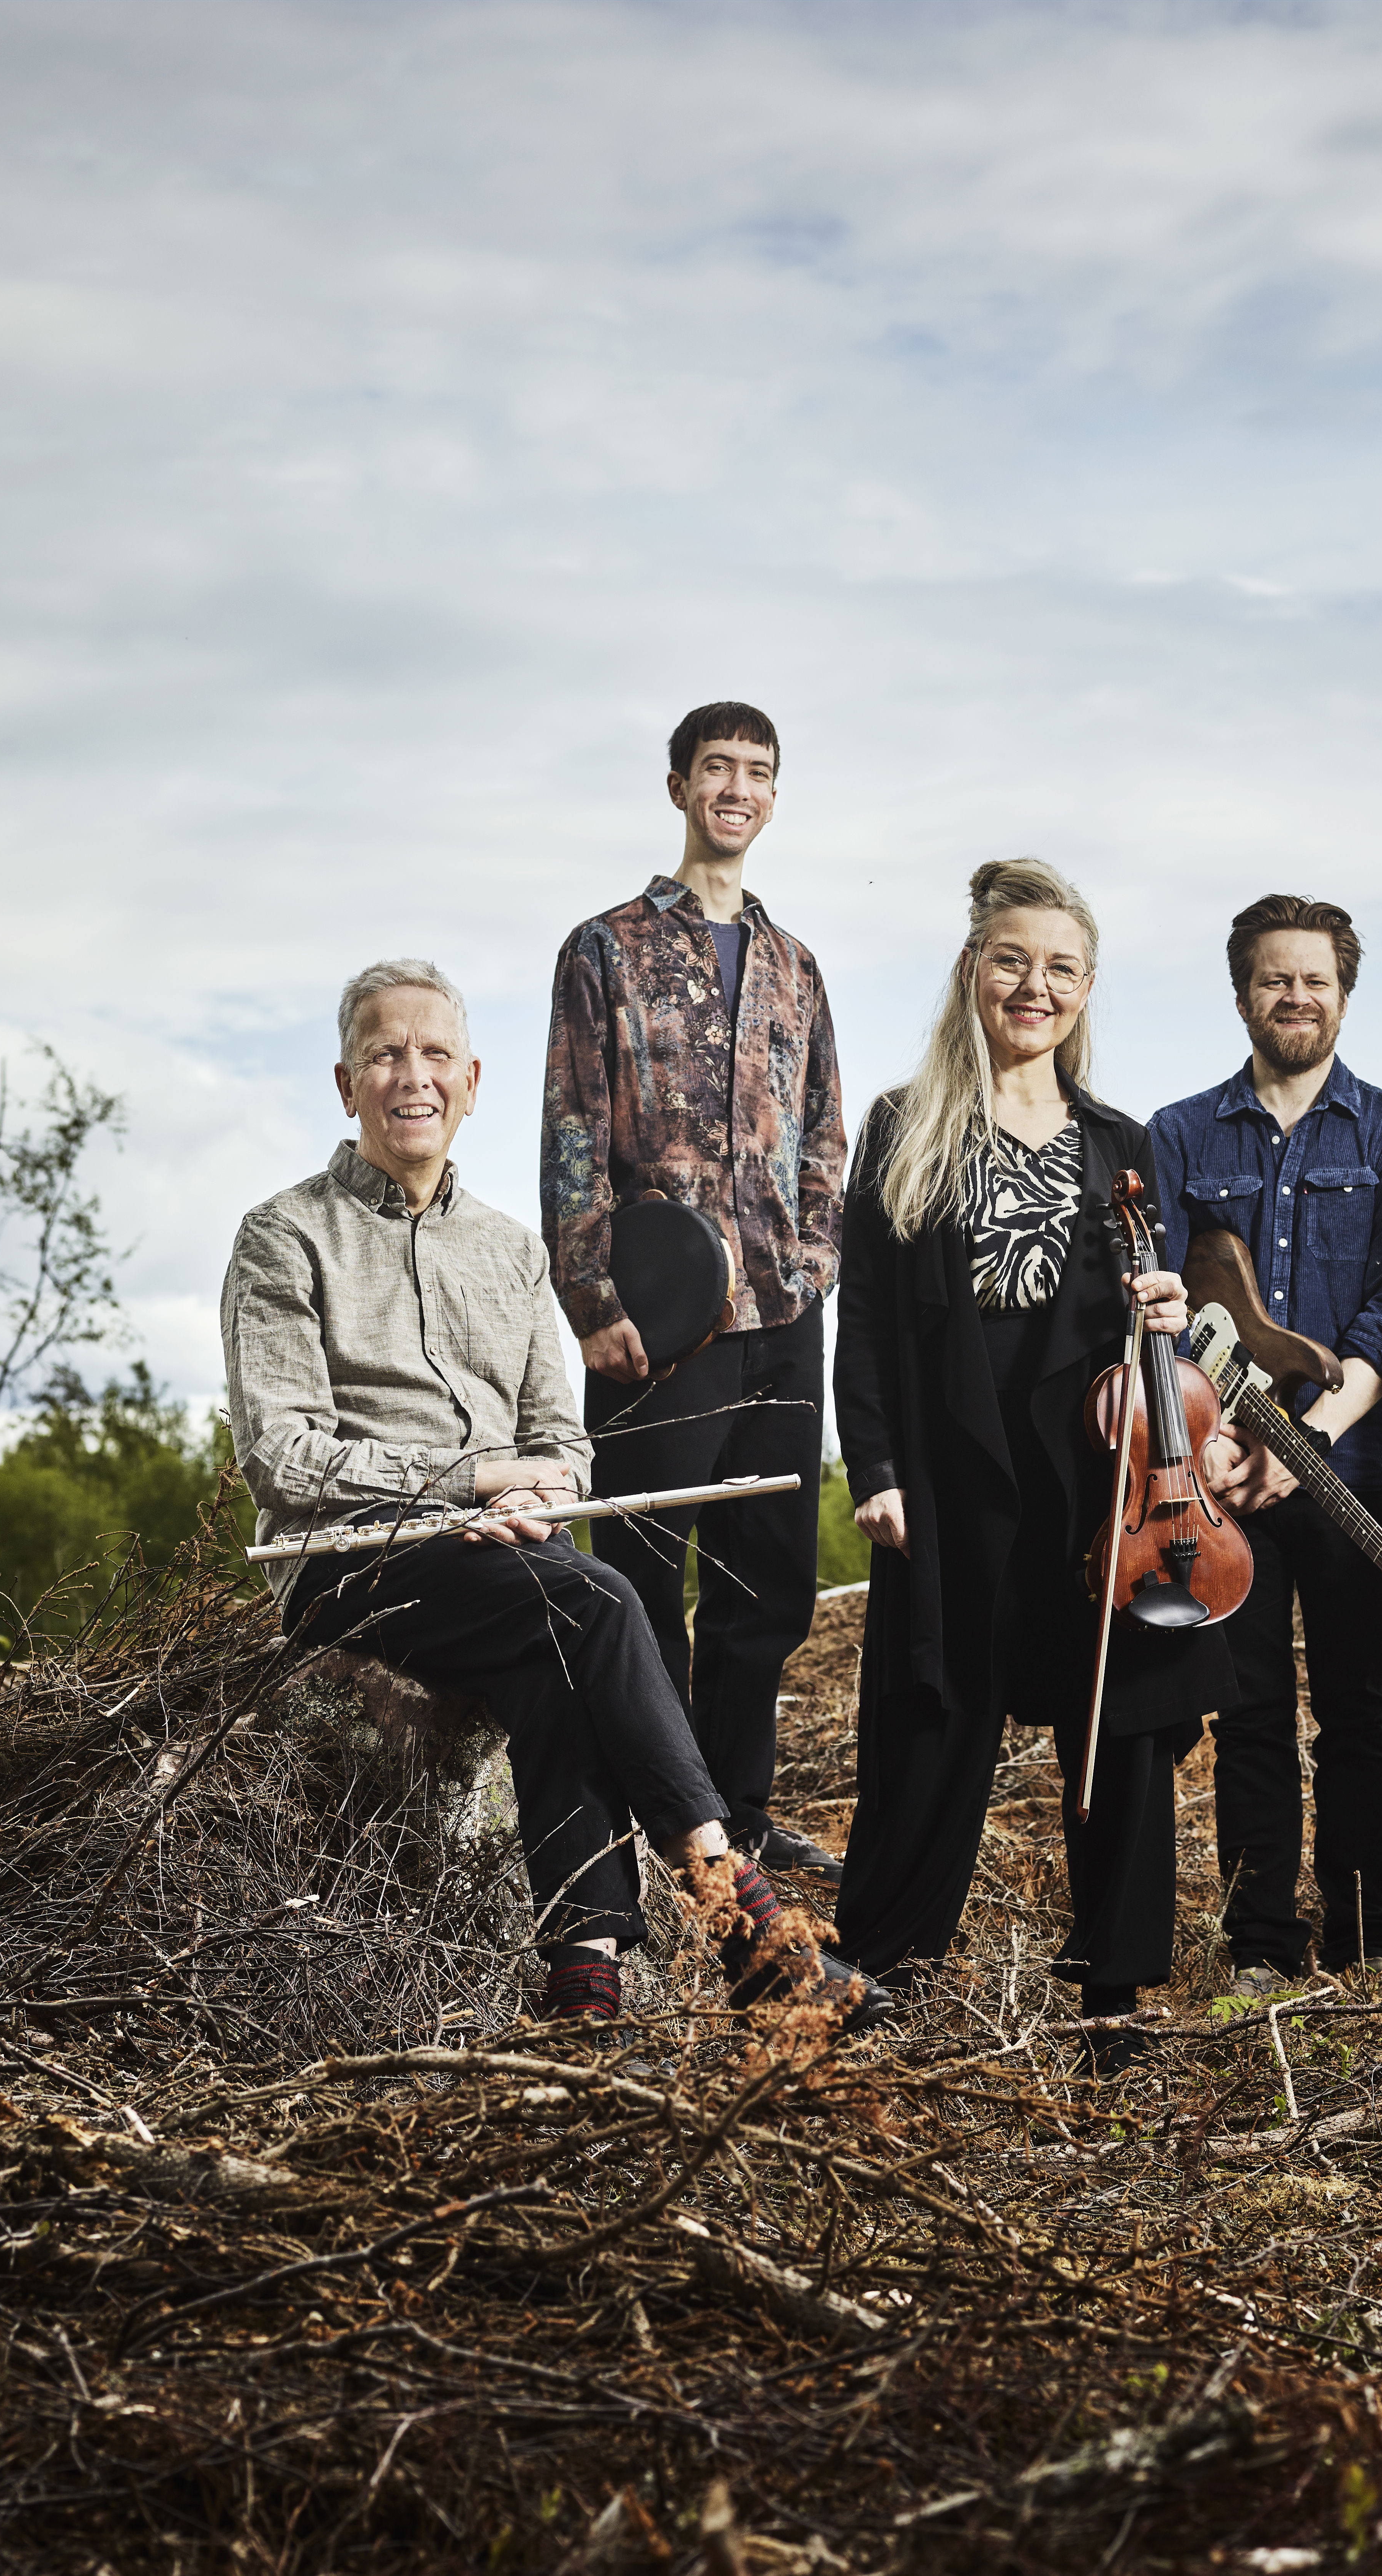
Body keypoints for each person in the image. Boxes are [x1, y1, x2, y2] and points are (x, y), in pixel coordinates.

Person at [225, 956, 873, 2033]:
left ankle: (585, 1987)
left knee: (557, 1666)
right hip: (347, 1561)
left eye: (436, 1053)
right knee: (604, 1603)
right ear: (346, 1082)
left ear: (472, 1079)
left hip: (495, 1563)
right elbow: (285, 1458)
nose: (412, 1075)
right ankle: (740, 1914)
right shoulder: (284, 1236)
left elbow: (561, 1449)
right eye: (385, 1052)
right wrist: (474, 1480)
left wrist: (542, 1500)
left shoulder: (513, 1254)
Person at [831, 860, 1233, 2064]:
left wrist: (1164, 1310)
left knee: (1120, 1720)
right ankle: (884, 1973)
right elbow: (863, 1322)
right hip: (952, 1462)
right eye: (1011, 960)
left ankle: (1113, 1995)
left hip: (1090, 1471)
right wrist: (879, 1467)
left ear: (1087, 988)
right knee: (928, 1711)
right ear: (972, 970)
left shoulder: (1120, 1138)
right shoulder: (907, 1125)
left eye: (1059, 968)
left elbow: (1146, 1314)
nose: (1033, 985)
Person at [542, 703, 850, 1888]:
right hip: (659, 1322)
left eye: (758, 772)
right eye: (718, 767)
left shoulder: (795, 964)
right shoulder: (604, 948)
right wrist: (591, 1298)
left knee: (764, 1579)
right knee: (640, 1567)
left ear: (773, 798)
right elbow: (574, 1125)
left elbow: (824, 1126)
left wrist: (814, 1261)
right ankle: (656, 1820)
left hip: (784, 1315)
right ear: (678, 787)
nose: (737, 787)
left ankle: (745, 1815)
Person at [1147, 896, 1382, 1992]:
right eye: (1275, 979)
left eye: (1315, 979)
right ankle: (1263, 1948)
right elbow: (1167, 1313)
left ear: (1345, 993)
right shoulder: (1178, 1135)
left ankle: (1369, 1946)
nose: (1296, 997)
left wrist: (1303, 1438)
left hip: (1358, 1475)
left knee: (1360, 1716)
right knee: (1254, 1714)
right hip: (1226, 1482)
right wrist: (1218, 1440)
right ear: (1241, 996)